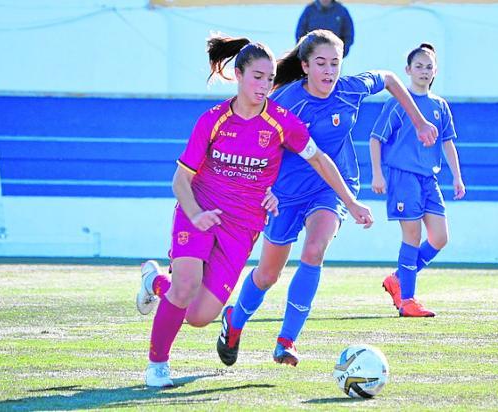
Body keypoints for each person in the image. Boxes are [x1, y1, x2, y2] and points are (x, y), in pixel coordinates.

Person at [135, 34, 375, 387]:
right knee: (185, 285)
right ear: (238, 75)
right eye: (257, 77)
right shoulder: (212, 121)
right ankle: (157, 366)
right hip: (199, 210)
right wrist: (195, 213)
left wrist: (351, 203)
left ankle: (155, 282)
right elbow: (180, 181)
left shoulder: (281, 121)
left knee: (200, 316)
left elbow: (319, 161)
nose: (264, 85)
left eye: (269, 77)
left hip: (242, 224)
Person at [217, 30, 438, 368]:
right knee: (267, 274)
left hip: (331, 187)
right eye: (321, 63)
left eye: (335, 63)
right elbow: (257, 147)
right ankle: (234, 322)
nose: (329, 71)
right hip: (285, 193)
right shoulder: (286, 103)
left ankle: (286, 340)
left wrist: (419, 120)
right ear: (304, 66)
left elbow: (391, 79)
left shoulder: (350, 90)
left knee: (315, 249)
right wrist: (261, 190)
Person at [370, 43, 466, 317]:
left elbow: (448, 143)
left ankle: (397, 279)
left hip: (429, 179)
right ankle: (408, 300)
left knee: (440, 238)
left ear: (435, 71)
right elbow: (376, 139)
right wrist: (377, 174)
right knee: (412, 236)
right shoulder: (398, 103)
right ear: (408, 70)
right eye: (419, 66)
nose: (424, 71)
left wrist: (457, 177)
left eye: (429, 67)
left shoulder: (440, 105)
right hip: (403, 177)